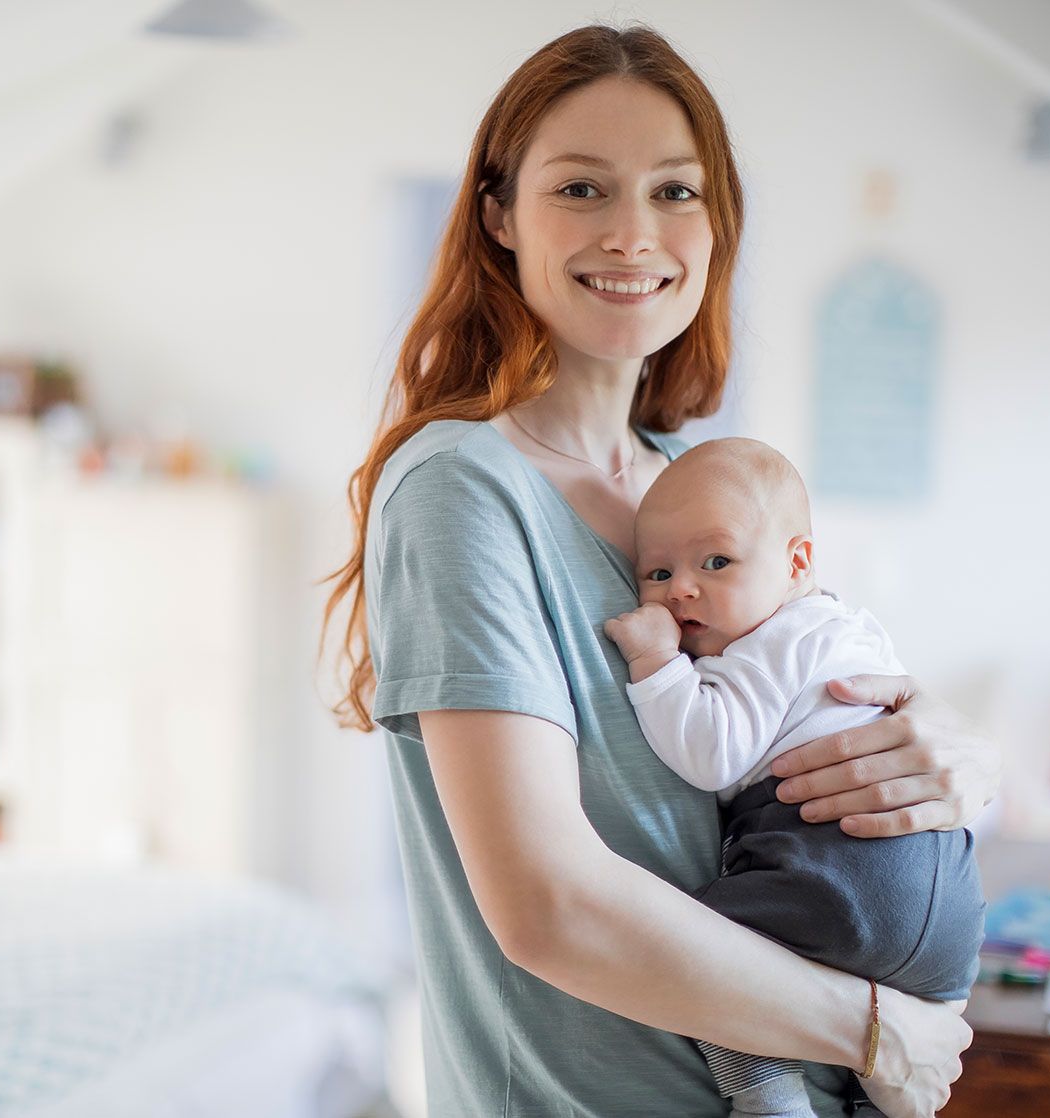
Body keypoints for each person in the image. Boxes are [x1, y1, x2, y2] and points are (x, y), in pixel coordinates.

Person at [321, 24, 1000, 1118]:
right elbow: (548, 905)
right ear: (500, 215)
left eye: (676, 191)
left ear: (719, 222)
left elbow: (821, 677)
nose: (634, 232)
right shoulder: (461, 488)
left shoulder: (692, 486)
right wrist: (875, 1028)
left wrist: (958, 756)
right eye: (583, 187)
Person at [603, 437, 986, 1118]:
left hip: (839, 879)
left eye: (715, 561)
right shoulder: (845, 628)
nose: (681, 588)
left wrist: (657, 664)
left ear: (796, 561)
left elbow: (711, 754)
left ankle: (764, 1095)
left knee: (701, 948)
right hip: (947, 914)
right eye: (656, 573)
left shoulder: (763, 645)